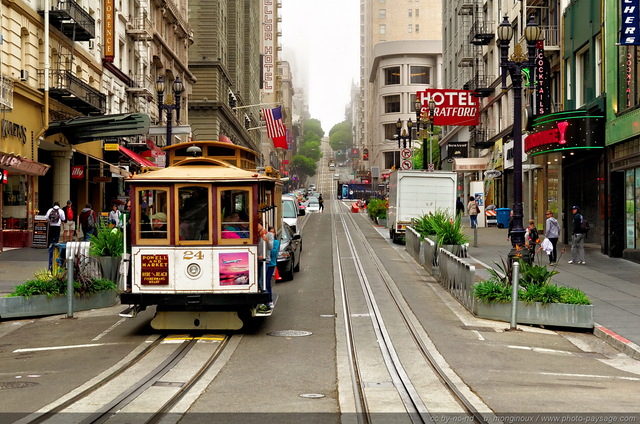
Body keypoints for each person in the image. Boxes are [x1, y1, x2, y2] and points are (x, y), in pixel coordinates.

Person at [256, 219, 274, 312]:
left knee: (262, 281)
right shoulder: (255, 235)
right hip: (256, 260)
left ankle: (267, 301)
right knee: (258, 281)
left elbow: (271, 247)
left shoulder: (269, 235)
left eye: (258, 225)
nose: (257, 227)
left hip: (265, 261)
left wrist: (266, 240)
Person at [45, 201, 65, 271]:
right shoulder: (61, 210)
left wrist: (50, 221)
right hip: (57, 226)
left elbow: (46, 217)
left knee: (51, 236)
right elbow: (63, 218)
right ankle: (55, 247)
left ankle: (51, 246)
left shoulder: (50, 210)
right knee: (56, 236)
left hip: (51, 225)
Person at [265, 225, 280, 306]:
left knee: (267, 282)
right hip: (265, 263)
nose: (272, 234)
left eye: (273, 232)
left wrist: (266, 249)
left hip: (271, 264)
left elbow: (274, 252)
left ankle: (269, 300)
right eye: (270, 232)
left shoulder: (276, 242)